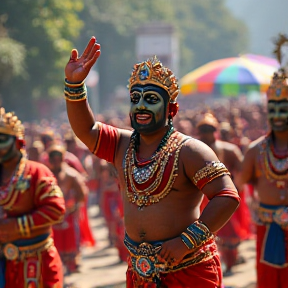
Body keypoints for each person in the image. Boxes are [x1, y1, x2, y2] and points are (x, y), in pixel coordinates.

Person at [64, 36, 240, 287]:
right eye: (135, 99)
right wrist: (74, 85)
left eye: (151, 99)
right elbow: (87, 130)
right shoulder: (121, 145)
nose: (141, 106)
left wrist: (186, 241)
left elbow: (227, 196)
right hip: (140, 272)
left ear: (172, 109)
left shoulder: (190, 151)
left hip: (188, 269)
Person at [241, 36, 288, 288]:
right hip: (267, 227)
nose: (278, 114)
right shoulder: (255, 151)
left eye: (284, 107)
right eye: (274, 107)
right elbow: (237, 183)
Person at [0, 108, 66, 288]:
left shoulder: (36, 172)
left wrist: (18, 226)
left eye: (2, 139)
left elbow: (56, 210)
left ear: (18, 142)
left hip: (36, 261)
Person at [196, 113, 251, 275]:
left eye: (209, 129)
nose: (206, 133)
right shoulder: (192, 150)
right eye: (203, 130)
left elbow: (242, 171)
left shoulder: (229, 149)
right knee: (207, 233)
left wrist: (234, 190)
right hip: (202, 198)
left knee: (228, 232)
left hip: (223, 196)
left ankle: (229, 262)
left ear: (215, 130)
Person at [48, 142, 88, 274]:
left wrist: (75, 208)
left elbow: (81, 194)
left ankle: (71, 264)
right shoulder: (46, 175)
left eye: (58, 157)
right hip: (52, 216)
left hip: (68, 214)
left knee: (71, 241)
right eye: (53, 158)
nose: (55, 161)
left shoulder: (71, 175)